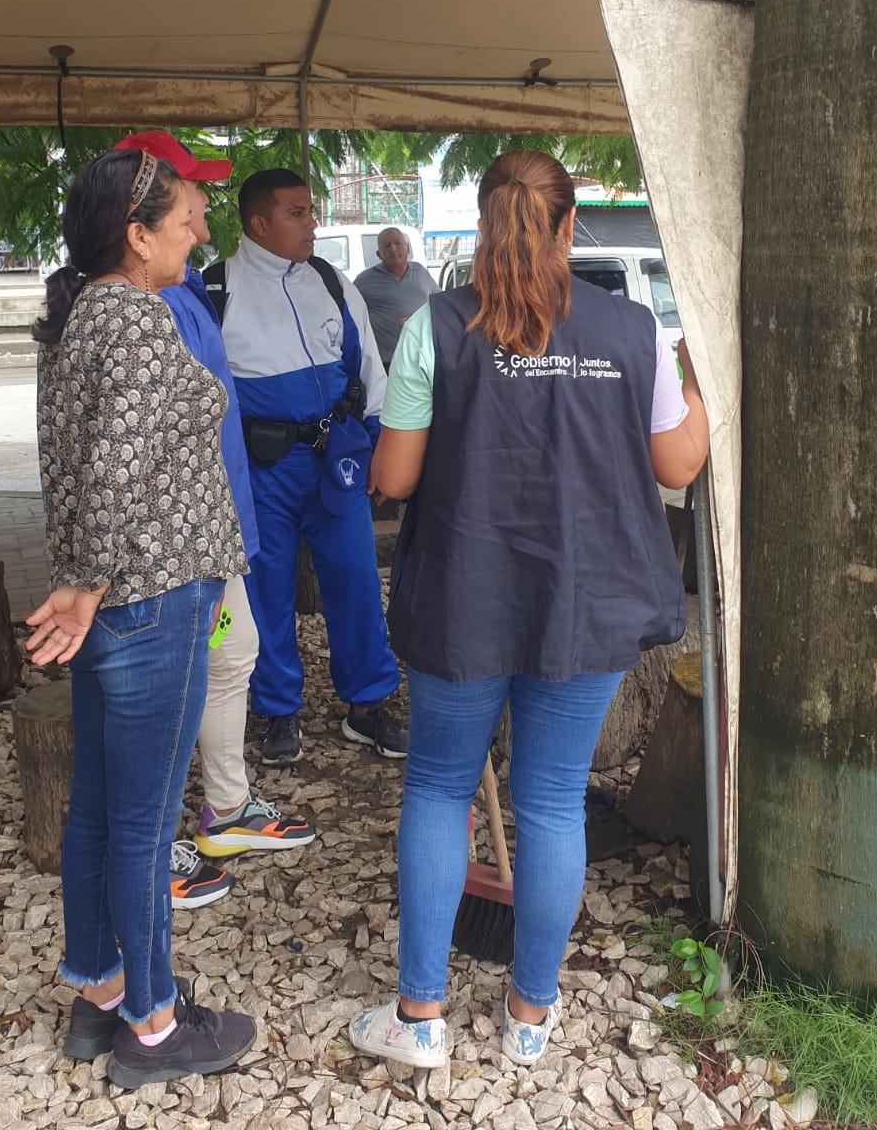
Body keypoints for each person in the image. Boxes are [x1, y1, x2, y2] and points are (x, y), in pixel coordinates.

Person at [348, 149, 709, 1070]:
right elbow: (679, 464)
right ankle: (529, 1016)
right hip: (584, 605)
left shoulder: (434, 325)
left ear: (483, 222)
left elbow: (394, 477)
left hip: (462, 599)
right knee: (551, 800)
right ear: (569, 226)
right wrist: (698, 384)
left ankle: (419, 1016)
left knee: (438, 789)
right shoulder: (632, 328)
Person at [28, 147, 257, 1088]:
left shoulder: (82, 315)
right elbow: (117, 464)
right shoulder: (132, 320)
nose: (197, 234)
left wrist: (82, 580)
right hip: (154, 602)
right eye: (182, 221)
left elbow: (73, 464)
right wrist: (85, 581)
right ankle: (154, 1023)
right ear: (136, 235)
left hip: (121, 604)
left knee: (99, 808)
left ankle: (99, 990)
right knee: (145, 822)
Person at [112, 133, 317, 894]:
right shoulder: (130, 306)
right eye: (192, 191)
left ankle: (226, 808)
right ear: (142, 220)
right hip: (173, 542)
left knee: (232, 655)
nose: (203, 208)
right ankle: (145, 854)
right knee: (160, 685)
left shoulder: (183, 283)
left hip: (216, 523)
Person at [206, 168, 407, 767]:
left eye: (310, 211)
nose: (312, 224)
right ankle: (278, 711)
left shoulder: (330, 280)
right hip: (260, 469)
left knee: (356, 582)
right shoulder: (215, 291)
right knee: (265, 592)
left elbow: (369, 370)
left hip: (336, 461)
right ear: (258, 223)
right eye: (296, 213)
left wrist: (379, 447)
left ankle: (367, 705)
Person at [354, 228, 440, 368]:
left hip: (423, 358)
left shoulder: (420, 271)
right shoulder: (365, 280)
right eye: (387, 246)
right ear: (379, 254)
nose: (393, 248)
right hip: (387, 361)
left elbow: (439, 302)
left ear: (408, 248)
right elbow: (351, 315)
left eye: (397, 243)